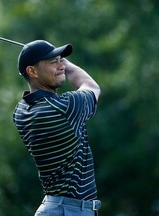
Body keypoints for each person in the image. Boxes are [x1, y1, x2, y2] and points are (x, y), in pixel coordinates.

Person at [13, 40, 101, 216]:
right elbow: (91, 86)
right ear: (32, 71)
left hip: (55, 208)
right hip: (70, 211)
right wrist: (67, 64)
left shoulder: (20, 112)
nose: (60, 66)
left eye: (60, 60)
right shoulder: (64, 108)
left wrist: (55, 60)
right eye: (53, 62)